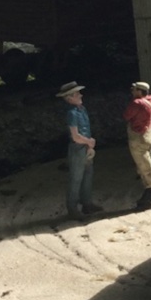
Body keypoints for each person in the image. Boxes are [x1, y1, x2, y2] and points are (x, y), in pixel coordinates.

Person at [56, 81, 103, 218]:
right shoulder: (72, 113)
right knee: (76, 178)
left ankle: (87, 203)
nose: (80, 95)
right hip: (78, 147)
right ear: (70, 98)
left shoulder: (81, 109)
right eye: (77, 94)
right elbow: (75, 136)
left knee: (87, 175)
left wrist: (89, 143)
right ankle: (72, 208)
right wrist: (89, 141)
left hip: (85, 146)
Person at [123, 80, 151, 210]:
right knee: (146, 165)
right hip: (149, 136)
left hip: (138, 138)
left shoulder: (136, 103)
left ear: (139, 91)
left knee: (145, 168)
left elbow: (126, 116)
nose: (132, 92)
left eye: (134, 90)